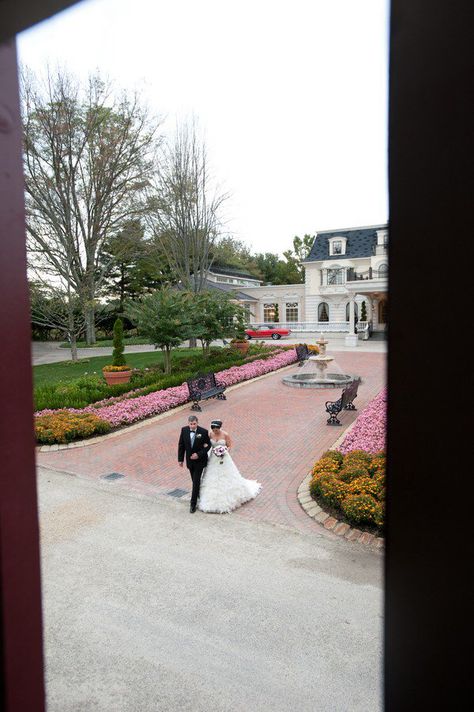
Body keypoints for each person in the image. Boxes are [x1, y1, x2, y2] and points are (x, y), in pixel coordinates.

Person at [198, 419, 262, 514]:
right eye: (214, 430)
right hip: (213, 457)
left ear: (220, 428)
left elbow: (229, 445)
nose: (215, 431)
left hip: (224, 458)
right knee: (211, 476)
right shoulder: (210, 434)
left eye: (217, 429)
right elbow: (206, 443)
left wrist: (224, 451)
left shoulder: (225, 435)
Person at [178, 415, 211, 513]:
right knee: (194, 481)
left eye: (194, 424)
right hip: (190, 461)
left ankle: (193, 504)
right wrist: (180, 459)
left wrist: (198, 454)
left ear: (197, 423)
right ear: (188, 423)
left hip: (200, 461)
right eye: (191, 424)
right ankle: (198, 493)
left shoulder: (203, 432)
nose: (192, 426)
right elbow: (181, 445)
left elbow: (208, 446)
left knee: (196, 481)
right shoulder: (184, 430)